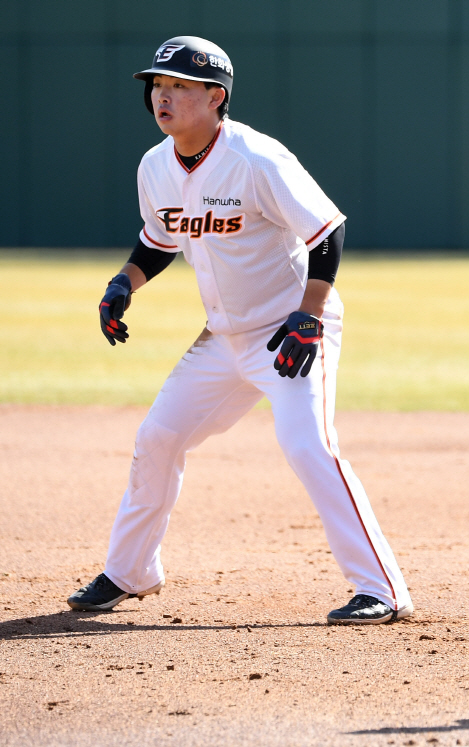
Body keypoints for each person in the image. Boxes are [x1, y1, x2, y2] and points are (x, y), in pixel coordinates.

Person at [67, 36, 413, 625]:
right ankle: (132, 571)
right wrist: (124, 283)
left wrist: (308, 316)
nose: (162, 96)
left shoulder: (256, 158)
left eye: (178, 85)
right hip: (222, 339)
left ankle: (382, 588)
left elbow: (326, 231)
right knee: (158, 438)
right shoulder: (155, 166)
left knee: (308, 446)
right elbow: (160, 239)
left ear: (215, 96)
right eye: (157, 84)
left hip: (292, 331)